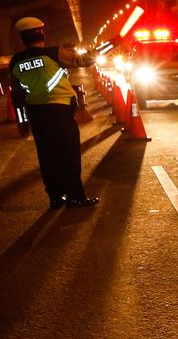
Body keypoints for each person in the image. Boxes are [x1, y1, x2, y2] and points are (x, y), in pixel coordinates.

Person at [9, 17, 107, 209]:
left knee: (47, 156)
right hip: (59, 112)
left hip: (36, 114)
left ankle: (54, 197)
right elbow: (84, 60)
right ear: (42, 34)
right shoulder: (53, 54)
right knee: (68, 154)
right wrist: (110, 45)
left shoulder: (16, 62)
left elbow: (17, 96)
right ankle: (75, 196)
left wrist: (22, 122)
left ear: (22, 39)